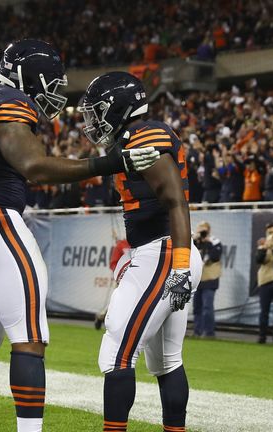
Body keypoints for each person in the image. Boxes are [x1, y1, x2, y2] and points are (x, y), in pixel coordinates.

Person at [0, 40, 161, 432]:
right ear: (27, 75)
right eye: (49, 82)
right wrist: (114, 161)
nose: (53, 92)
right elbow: (34, 166)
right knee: (30, 340)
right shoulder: (9, 100)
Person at [79, 71, 203, 432]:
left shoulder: (142, 135)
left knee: (116, 353)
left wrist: (179, 266)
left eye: (98, 111)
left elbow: (175, 202)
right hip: (161, 251)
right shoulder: (131, 138)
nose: (94, 121)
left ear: (119, 107)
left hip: (164, 252)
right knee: (166, 362)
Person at [192, 221, 222, 337]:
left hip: (210, 279)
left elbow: (215, 257)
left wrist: (207, 243)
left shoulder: (214, 241)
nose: (202, 232)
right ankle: (197, 331)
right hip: (197, 279)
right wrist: (196, 240)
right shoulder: (195, 242)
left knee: (207, 307)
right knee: (197, 307)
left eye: (204, 230)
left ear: (209, 230)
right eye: (200, 230)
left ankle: (209, 332)